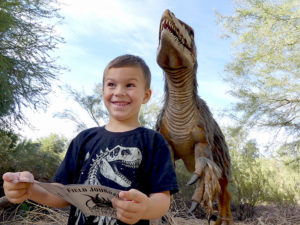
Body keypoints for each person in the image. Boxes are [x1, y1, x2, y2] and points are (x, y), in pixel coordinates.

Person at [2, 54, 179, 225]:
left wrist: (146, 209)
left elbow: (162, 199)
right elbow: (62, 194)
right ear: (103, 91)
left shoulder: (155, 142)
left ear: (146, 95)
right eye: (111, 84)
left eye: (130, 85)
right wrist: (29, 189)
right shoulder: (83, 139)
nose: (119, 92)